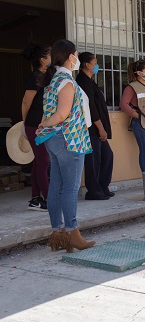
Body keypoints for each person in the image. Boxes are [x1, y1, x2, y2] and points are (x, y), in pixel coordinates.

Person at [35, 39, 96, 252]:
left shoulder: (53, 80)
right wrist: (44, 123)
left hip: (54, 140)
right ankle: (73, 233)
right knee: (70, 188)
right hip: (70, 139)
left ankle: (57, 234)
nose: (78, 58)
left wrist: (43, 126)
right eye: (77, 55)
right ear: (71, 57)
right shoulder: (67, 82)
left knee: (56, 187)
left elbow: (50, 111)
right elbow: (62, 114)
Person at [76, 52, 114, 200]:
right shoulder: (82, 81)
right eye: (95, 63)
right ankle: (94, 191)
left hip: (98, 127)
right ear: (87, 64)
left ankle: (102, 187)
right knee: (93, 160)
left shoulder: (90, 80)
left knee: (107, 156)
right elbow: (90, 108)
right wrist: (100, 127)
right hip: (91, 128)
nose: (97, 66)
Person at [21, 43, 51, 211]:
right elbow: (26, 101)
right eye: (49, 55)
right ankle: (48, 198)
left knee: (39, 161)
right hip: (34, 124)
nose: (52, 58)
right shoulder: (34, 77)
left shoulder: (45, 76)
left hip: (42, 124)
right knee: (44, 160)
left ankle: (35, 199)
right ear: (42, 59)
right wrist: (25, 123)